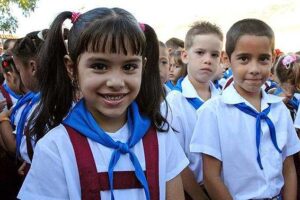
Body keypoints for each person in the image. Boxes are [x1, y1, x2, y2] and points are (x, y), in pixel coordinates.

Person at [18, 8, 188, 200]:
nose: (116, 82)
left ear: (143, 66)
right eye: (99, 66)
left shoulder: (162, 138)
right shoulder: (55, 148)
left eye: (129, 66)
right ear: (72, 68)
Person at [190, 18, 300, 200]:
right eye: (244, 59)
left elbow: (288, 169)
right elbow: (211, 177)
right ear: (226, 59)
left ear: (272, 59)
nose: (254, 69)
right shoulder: (212, 112)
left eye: (263, 59)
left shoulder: (279, 110)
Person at [166, 21, 223, 199]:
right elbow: (176, 162)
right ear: (185, 55)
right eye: (200, 52)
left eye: (214, 55)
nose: (207, 59)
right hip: (192, 191)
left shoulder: (224, 99)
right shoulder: (174, 103)